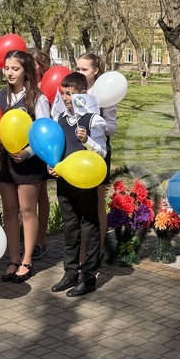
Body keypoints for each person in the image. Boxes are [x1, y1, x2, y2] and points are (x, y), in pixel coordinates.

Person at [49, 72, 108, 297]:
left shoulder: (93, 120)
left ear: (83, 94)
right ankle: (70, 272)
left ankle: (89, 276)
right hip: (65, 181)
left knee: (89, 227)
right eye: (63, 93)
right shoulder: (60, 119)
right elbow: (55, 147)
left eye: (70, 94)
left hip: (85, 182)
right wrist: (53, 165)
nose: (65, 98)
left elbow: (102, 153)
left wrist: (87, 140)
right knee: (70, 227)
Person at [0, 50, 50, 284]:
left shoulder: (37, 98)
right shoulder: (1, 95)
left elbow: (44, 133)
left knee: (28, 211)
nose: (9, 73)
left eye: (15, 68)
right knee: (9, 211)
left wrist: (27, 152)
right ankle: (13, 258)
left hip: (29, 162)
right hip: (6, 161)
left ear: (26, 71)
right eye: (7, 68)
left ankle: (27, 260)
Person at [75, 53, 117, 257]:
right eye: (77, 68)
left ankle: (97, 250)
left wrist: (96, 122)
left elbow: (112, 128)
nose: (80, 72)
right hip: (75, 151)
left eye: (84, 69)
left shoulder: (105, 94)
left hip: (98, 152)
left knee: (98, 201)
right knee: (79, 202)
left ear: (96, 71)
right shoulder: (74, 91)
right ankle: (80, 250)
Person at [29, 48, 54, 253]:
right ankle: (33, 237)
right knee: (35, 196)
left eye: (33, 62)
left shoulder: (47, 87)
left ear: (41, 66)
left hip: (43, 144)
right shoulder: (23, 86)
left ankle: (41, 239)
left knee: (41, 195)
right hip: (24, 143)